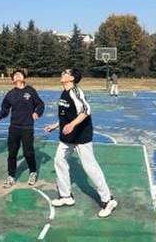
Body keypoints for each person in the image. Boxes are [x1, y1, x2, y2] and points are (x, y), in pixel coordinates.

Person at [44, 67, 118, 218]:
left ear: (71, 78)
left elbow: (85, 110)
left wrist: (72, 124)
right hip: (67, 137)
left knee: (90, 167)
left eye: (66, 73)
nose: (62, 73)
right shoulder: (64, 93)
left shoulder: (75, 92)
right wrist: (56, 125)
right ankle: (66, 196)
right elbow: (66, 114)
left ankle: (108, 200)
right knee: (59, 160)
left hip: (81, 136)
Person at [0, 70, 45, 188]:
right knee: (12, 153)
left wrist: (37, 113)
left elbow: (40, 104)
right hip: (14, 128)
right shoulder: (10, 94)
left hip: (27, 127)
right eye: (15, 75)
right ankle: (11, 176)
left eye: (19, 74)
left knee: (28, 152)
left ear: (24, 78)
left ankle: (33, 172)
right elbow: (5, 108)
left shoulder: (30, 91)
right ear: (13, 80)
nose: (17, 75)